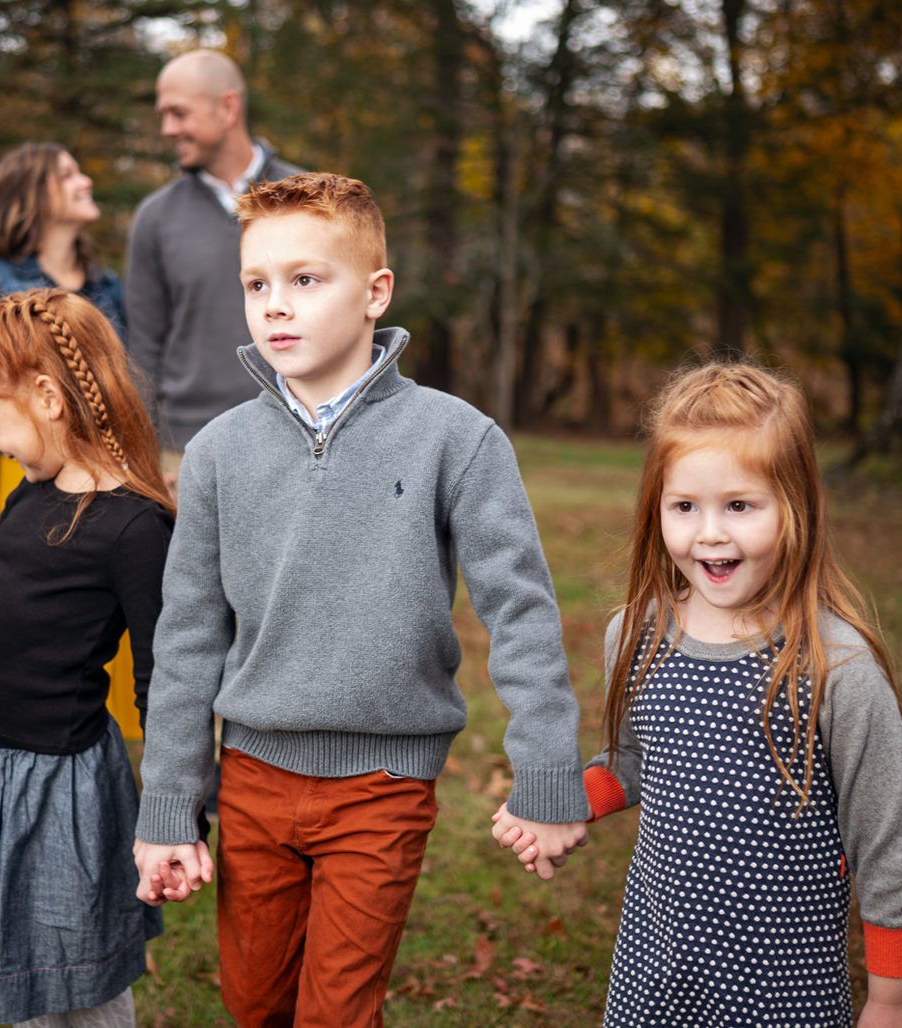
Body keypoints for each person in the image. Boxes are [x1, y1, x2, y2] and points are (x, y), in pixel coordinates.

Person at [132, 172, 590, 1026]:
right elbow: (188, 638)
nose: (276, 305)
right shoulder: (218, 454)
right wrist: (170, 806)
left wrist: (547, 772)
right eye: (257, 284)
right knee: (254, 1003)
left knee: (337, 1011)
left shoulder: (457, 439)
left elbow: (520, 612)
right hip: (254, 777)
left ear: (376, 292)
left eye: (306, 280)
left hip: (382, 781)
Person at [502, 362, 902, 1025]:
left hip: (783, 985)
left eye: (739, 505)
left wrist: (891, 998)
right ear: (657, 508)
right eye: (684, 507)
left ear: (797, 507)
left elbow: (886, 840)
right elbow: (635, 764)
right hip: (658, 968)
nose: (710, 534)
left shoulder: (836, 666)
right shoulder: (637, 634)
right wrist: (561, 803)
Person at [0, 289, 173, 1027]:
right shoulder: (26, 502)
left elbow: (164, 677)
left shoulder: (133, 527)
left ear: (46, 397)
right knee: (14, 974)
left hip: (61, 792)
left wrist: (173, 807)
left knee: (80, 976)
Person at [125, 48, 302, 481]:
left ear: (227, 108)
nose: (168, 129)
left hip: (299, 442)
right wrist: (146, 453)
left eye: (178, 113)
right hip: (186, 454)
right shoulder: (155, 217)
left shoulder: (307, 198)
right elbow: (144, 348)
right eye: (163, 116)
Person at [0, 142, 125, 565]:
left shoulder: (107, 286)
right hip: (21, 474)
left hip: (103, 474)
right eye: (68, 174)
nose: (85, 181)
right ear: (30, 194)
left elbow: (126, 387)